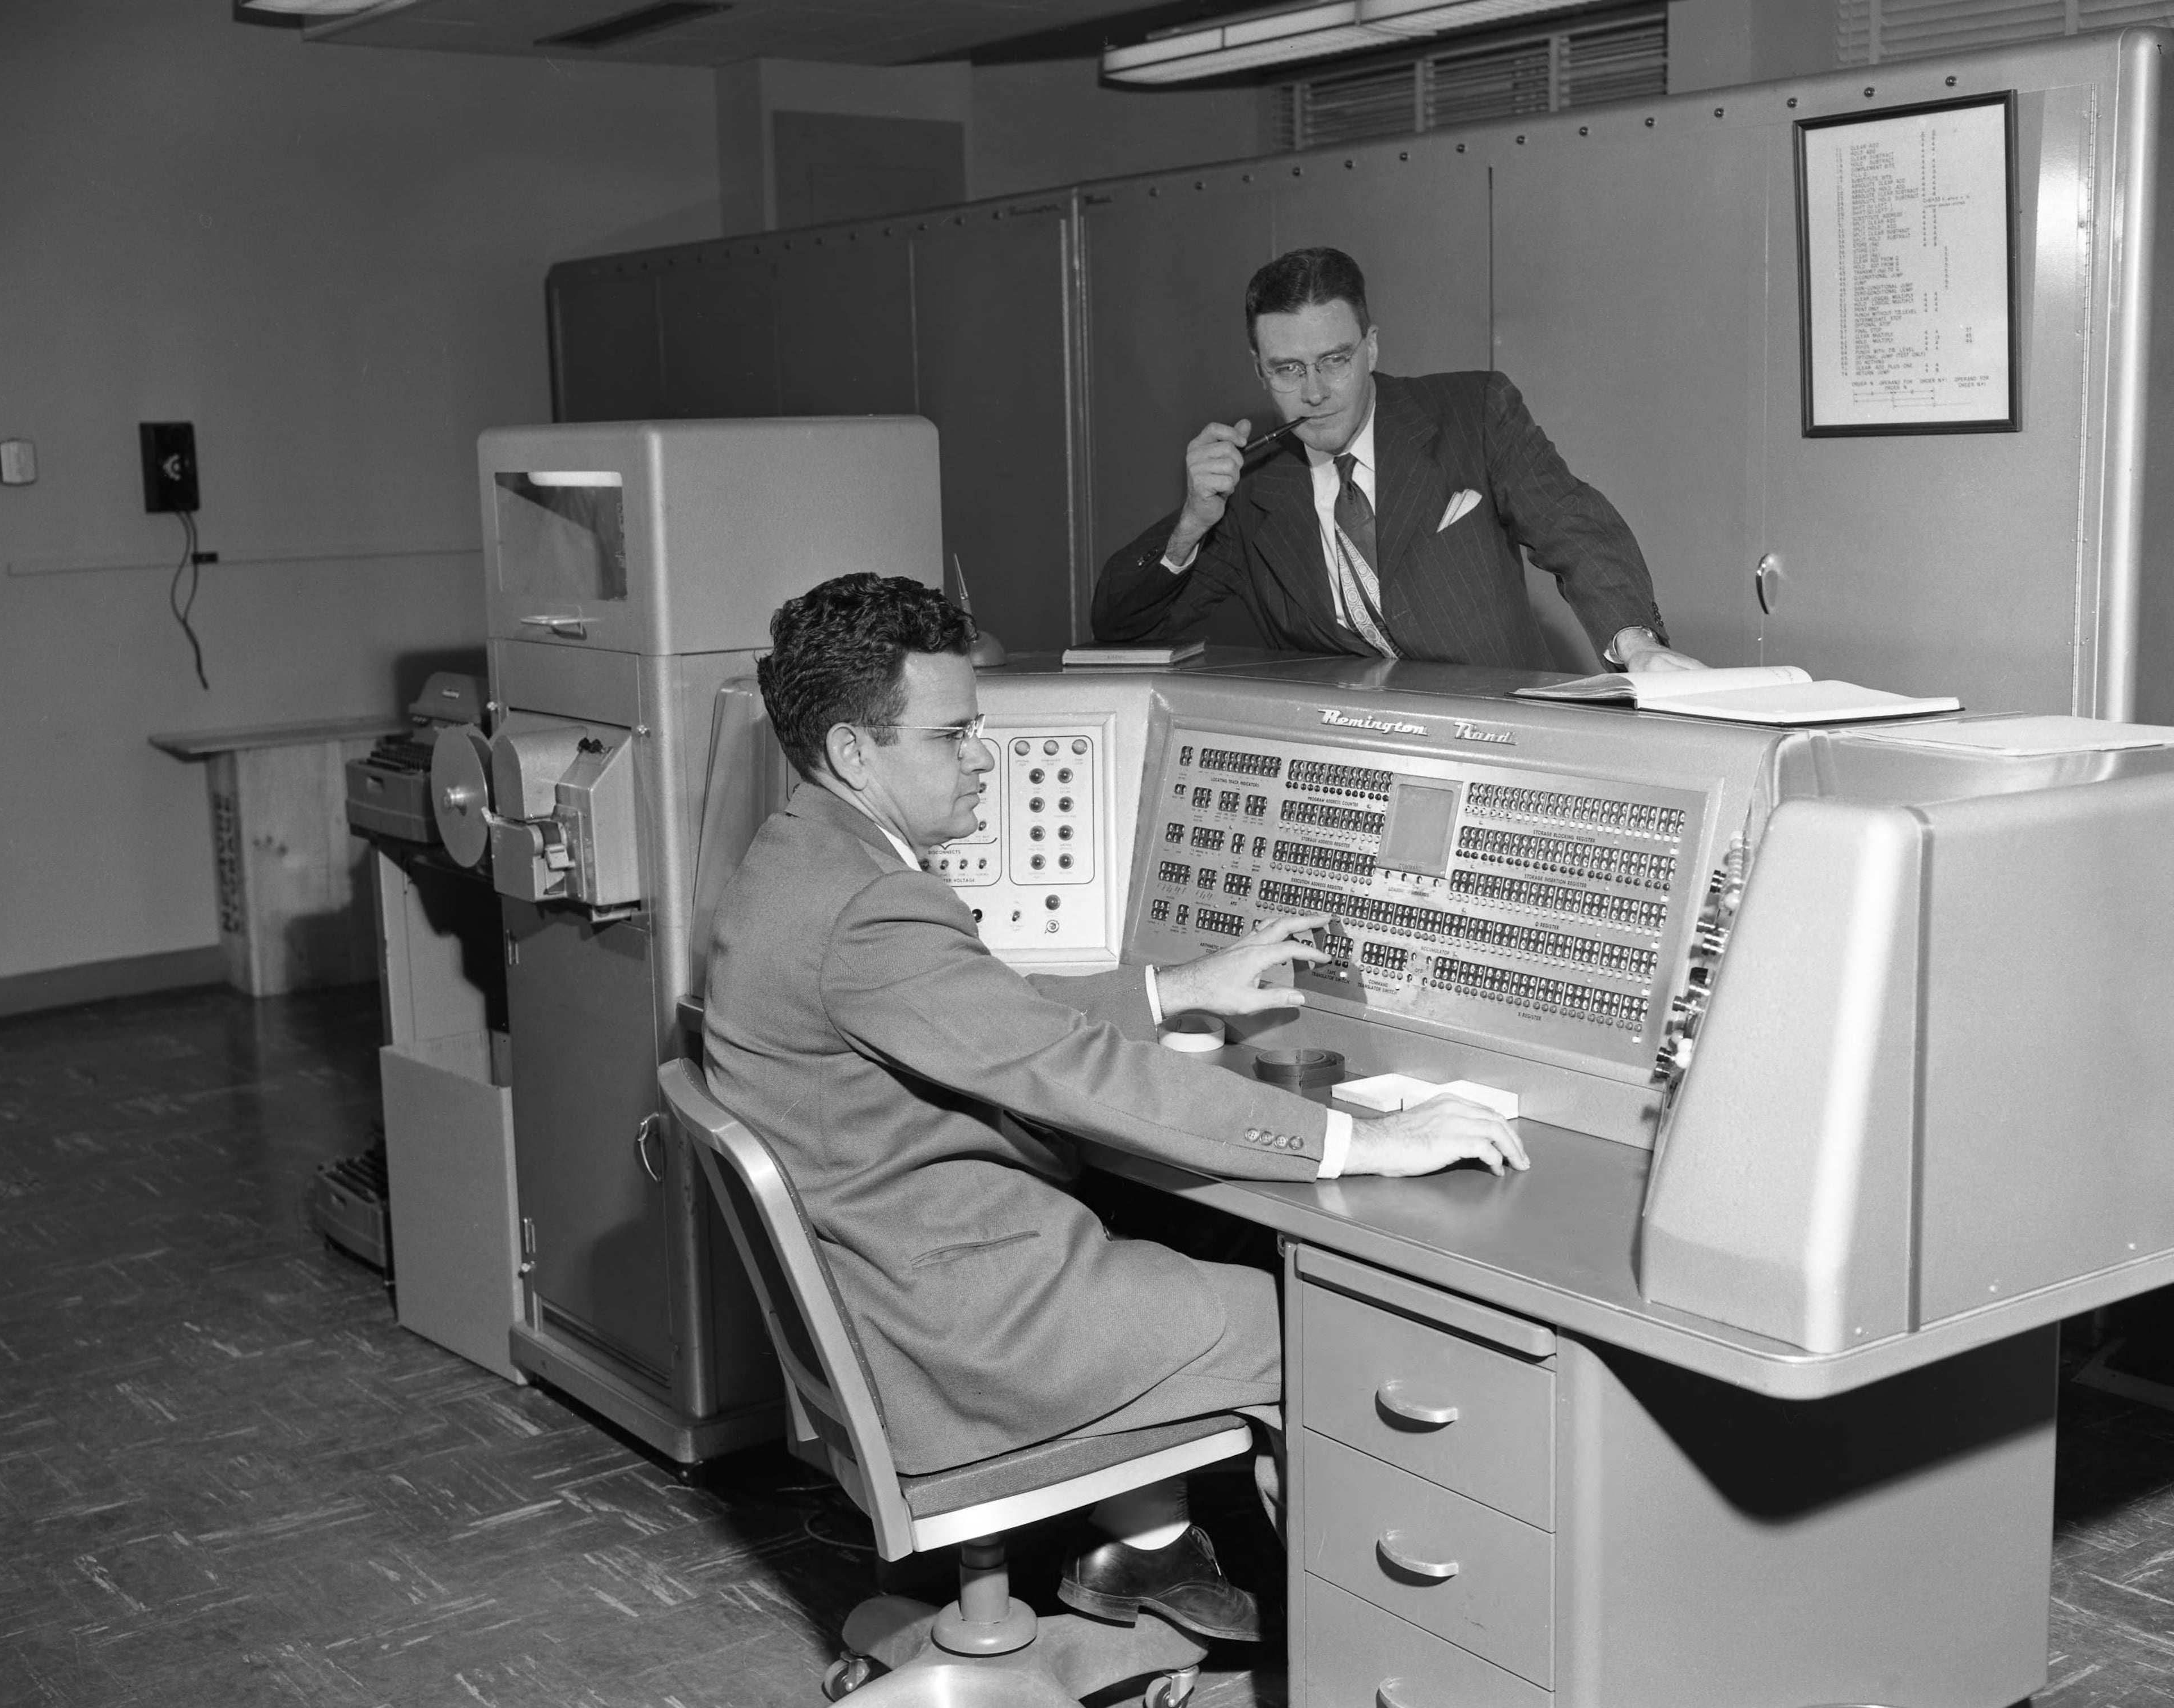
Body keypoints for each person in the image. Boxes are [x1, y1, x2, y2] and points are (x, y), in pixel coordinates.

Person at [702, 572, 1528, 1643]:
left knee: (1179, 1225)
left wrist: (1171, 988)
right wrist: (1363, 1138)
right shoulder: (874, 906)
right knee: (1322, 1332)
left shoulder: (801, 858)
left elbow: (978, 1012)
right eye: (953, 734)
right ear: (857, 749)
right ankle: (1379, 1655)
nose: (982, 756)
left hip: (885, 1289)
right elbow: (1074, 1072)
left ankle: (1138, 1550)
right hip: (961, 1336)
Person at [1093, 245, 1704, 673]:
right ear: (1258, 369)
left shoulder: (1472, 412)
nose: (1313, 392)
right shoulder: (1251, 492)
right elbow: (1123, 629)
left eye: (1334, 360)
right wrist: (1193, 522)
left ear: (1372, 346)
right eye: (1287, 369)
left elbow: (1577, 528)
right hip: (1348, 776)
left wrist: (1637, 644)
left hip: (1498, 746)